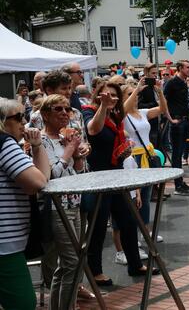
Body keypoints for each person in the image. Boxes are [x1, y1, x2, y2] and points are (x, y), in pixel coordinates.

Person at [83, 82, 160, 284]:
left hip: (118, 175)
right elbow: (93, 130)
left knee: (128, 221)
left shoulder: (116, 117)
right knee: (98, 227)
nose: (112, 99)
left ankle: (135, 265)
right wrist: (103, 105)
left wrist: (124, 150)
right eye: (107, 95)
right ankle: (95, 271)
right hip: (98, 178)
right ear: (96, 95)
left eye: (115, 96)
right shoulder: (90, 112)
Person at [0, 98, 50, 310]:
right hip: (4, 244)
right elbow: (39, 181)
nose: (24, 122)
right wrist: (38, 147)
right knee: (23, 304)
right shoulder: (4, 143)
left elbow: (32, 184)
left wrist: (37, 147)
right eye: (18, 117)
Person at [40, 95, 87, 309]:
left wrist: (78, 154)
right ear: (45, 114)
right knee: (73, 263)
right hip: (56, 207)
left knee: (66, 264)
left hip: (73, 204)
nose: (64, 113)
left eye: (67, 109)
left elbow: (79, 173)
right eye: (58, 108)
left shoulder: (63, 137)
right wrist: (69, 151)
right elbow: (51, 178)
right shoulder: (41, 141)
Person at [122, 80, 170, 241]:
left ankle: (145, 231)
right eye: (130, 94)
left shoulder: (142, 112)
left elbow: (163, 109)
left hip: (148, 155)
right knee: (135, 197)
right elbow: (123, 109)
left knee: (147, 195)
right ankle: (134, 235)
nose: (135, 96)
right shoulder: (121, 115)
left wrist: (160, 92)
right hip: (133, 158)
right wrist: (136, 89)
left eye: (136, 94)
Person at [164, 60, 189, 195]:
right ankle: (178, 185)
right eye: (187, 67)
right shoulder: (171, 83)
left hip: (184, 121)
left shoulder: (183, 82)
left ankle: (180, 182)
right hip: (177, 122)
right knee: (177, 154)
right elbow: (164, 100)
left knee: (180, 152)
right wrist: (170, 118)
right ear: (180, 68)